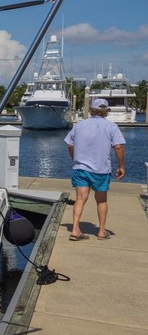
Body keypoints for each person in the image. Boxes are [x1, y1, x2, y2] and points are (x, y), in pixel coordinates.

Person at [64, 98, 125, 241]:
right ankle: (102, 232)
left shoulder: (79, 125)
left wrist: (75, 158)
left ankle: (75, 230)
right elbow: (118, 147)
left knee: (80, 199)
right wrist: (121, 166)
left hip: (80, 168)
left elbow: (70, 145)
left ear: (91, 110)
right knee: (101, 200)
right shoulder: (111, 126)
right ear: (106, 111)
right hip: (101, 169)